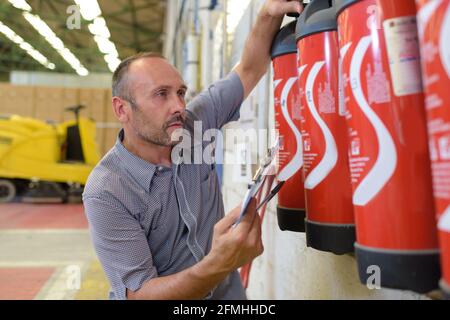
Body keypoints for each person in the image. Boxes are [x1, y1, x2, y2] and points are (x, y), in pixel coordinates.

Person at [82, 0, 303, 300]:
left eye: (180, 92)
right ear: (122, 109)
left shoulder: (194, 123)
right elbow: (140, 295)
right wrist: (219, 263)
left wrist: (268, 12)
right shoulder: (107, 191)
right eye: (161, 95)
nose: (178, 106)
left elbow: (249, 69)